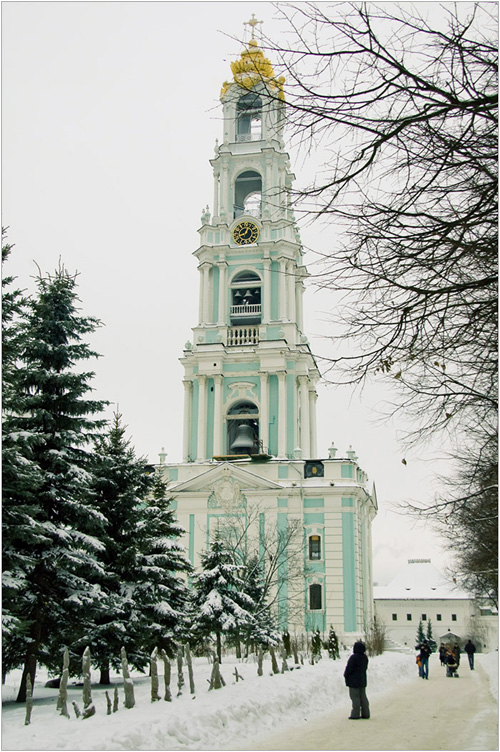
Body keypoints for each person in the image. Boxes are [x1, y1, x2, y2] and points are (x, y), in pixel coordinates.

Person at [344, 641, 370, 719]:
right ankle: (366, 713)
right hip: (362, 680)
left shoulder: (353, 657)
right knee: (363, 697)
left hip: (353, 681)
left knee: (355, 698)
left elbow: (349, 669)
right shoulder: (365, 657)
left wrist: (346, 676)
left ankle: (355, 714)